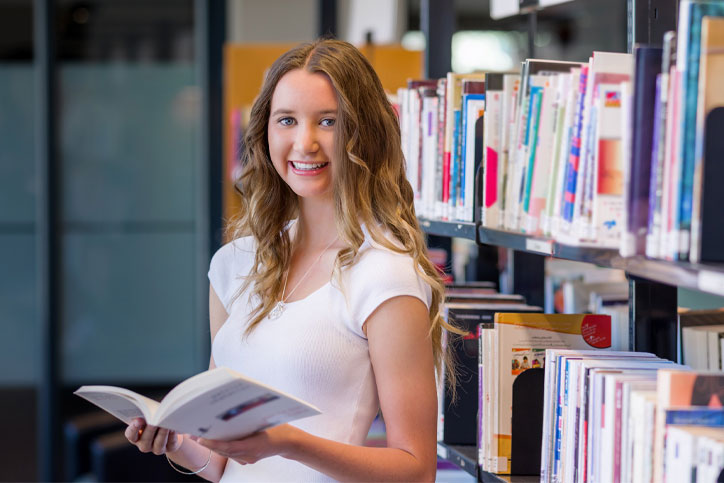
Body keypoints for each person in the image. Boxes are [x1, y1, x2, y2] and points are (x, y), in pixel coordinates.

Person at [124, 38, 459, 482]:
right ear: (266, 131)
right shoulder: (234, 264)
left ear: (364, 134)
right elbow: (219, 464)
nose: (305, 143)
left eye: (328, 121)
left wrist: (289, 442)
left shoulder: (386, 275)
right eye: (287, 120)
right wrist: (174, 442)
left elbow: (416, 471)